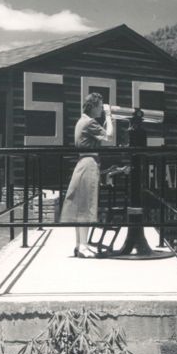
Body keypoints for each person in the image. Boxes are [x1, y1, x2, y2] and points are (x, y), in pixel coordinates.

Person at [60, 93, 114, 258]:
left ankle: (80, 245)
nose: (101, 109)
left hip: (83, 163)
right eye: (100, 106)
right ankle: (83, 246)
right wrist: (110, 116)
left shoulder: (81, 121)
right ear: (94, 106)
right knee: (86, 205)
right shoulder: (90, 122)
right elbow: (110, 137)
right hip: (89, 164)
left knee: (81, 205)